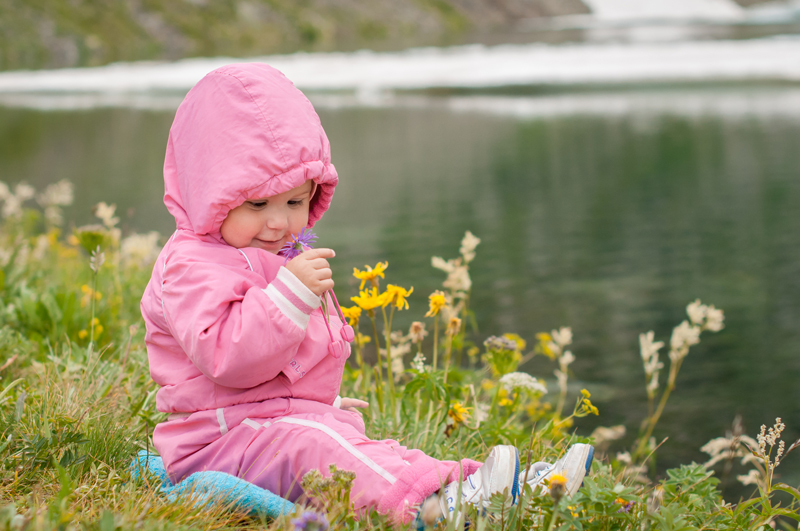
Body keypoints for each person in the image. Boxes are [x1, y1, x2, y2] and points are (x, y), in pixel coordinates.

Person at [140, 62, 592, 525]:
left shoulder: (263, 247)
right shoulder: (190, 266)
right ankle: (434, 508)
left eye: (296, 202)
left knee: (368, 448)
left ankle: (492, 488)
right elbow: (227, 358)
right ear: (209, 191)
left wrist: (316, 400)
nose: (279, 222)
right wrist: (291, 296)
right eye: (258, 204)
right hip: (219, 445)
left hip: (263, 426)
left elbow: (275, 367)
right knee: (319, 449)